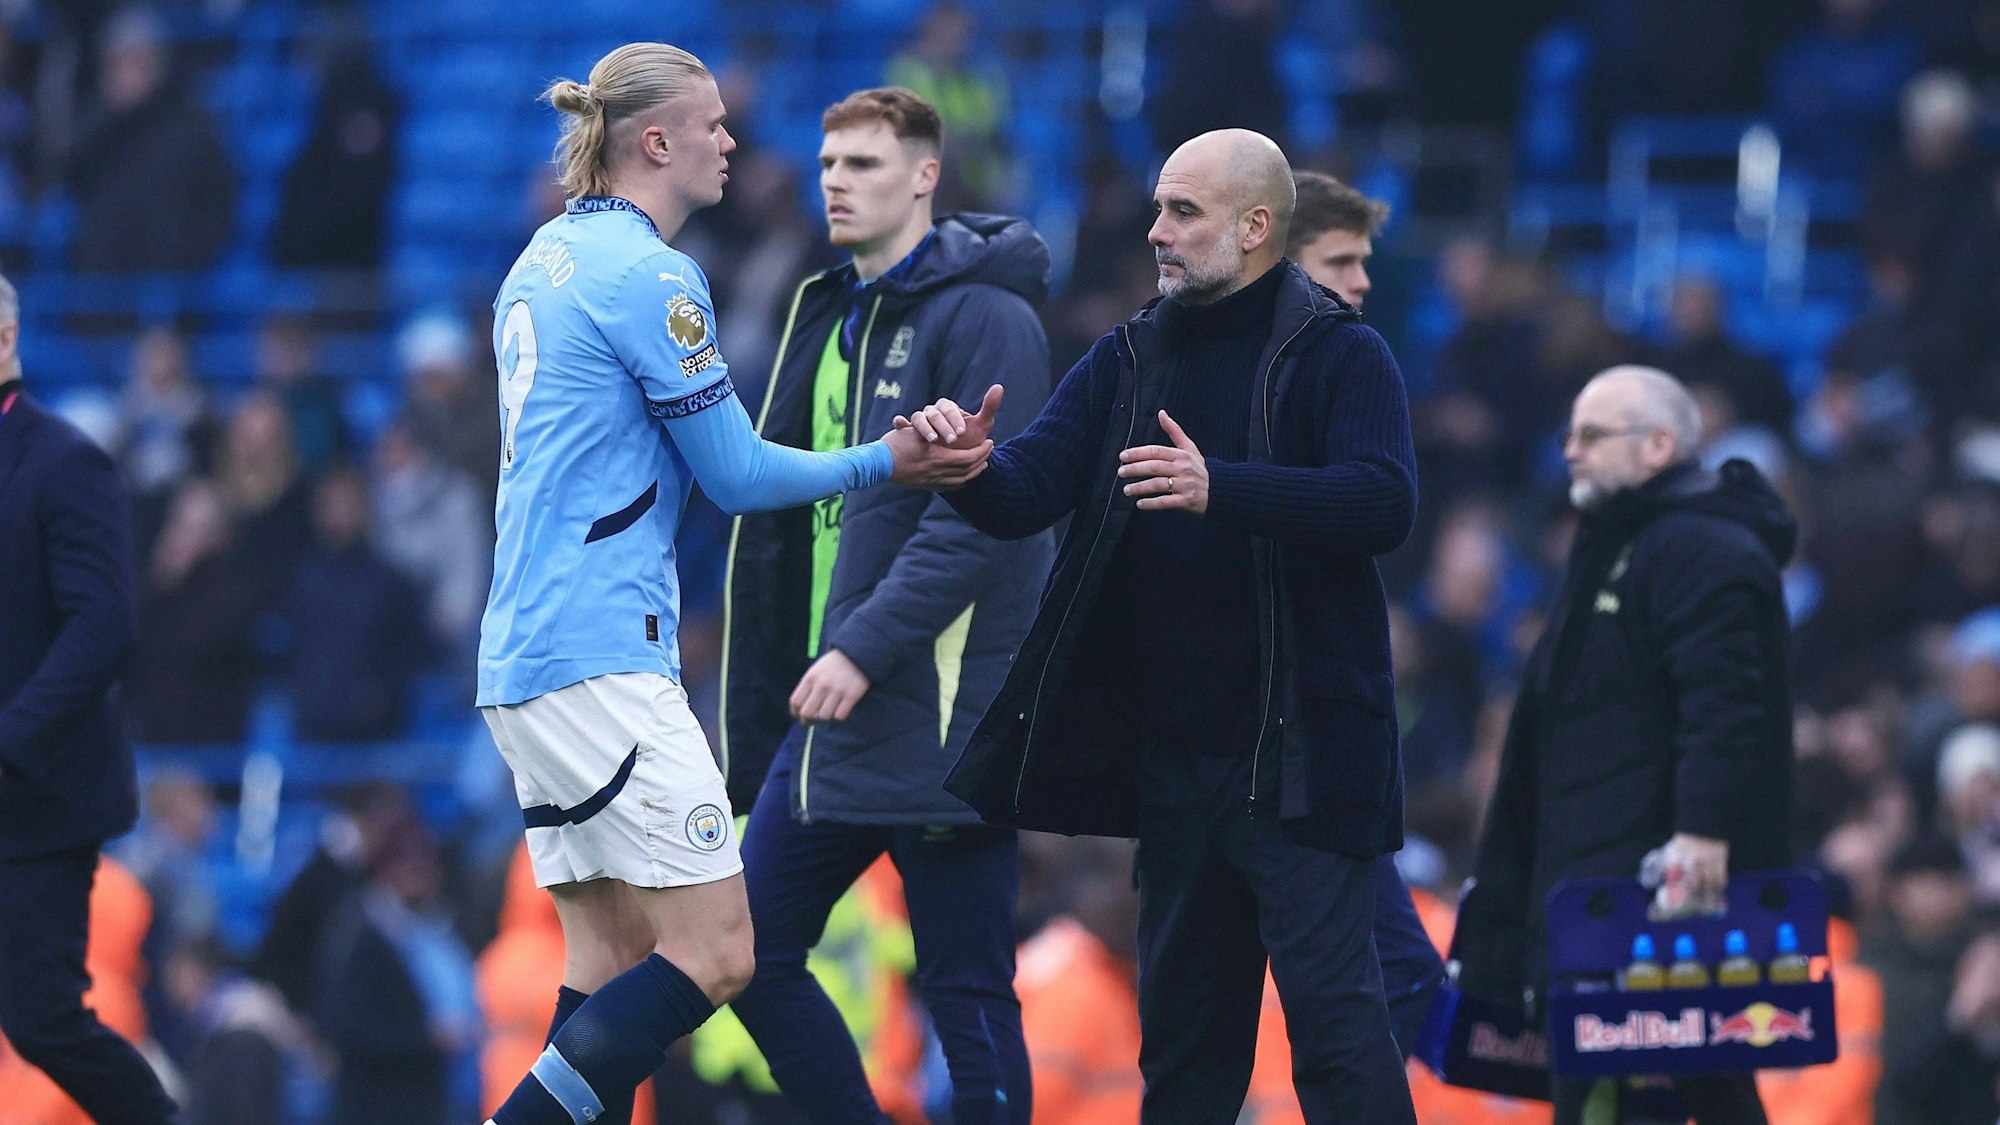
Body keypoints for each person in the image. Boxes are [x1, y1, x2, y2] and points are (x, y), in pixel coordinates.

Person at [474, 43, 992, 1125]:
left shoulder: (543, 258)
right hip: (603, 653)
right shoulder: (653, 275)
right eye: (711, 124)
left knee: (610, 960)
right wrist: (886, 460)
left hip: (525, 656)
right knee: (718, 952)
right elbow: (739, 476)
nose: (731, 140)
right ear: (655, 142)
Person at [905, 128, 1421, 1123]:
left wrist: (1218, 485)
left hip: (1305, 760)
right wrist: (966, 466)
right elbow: (1028, 491)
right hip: (1179, 766)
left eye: (1182, 211)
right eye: (1157, 208)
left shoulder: (1343, 353)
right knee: (1183, 1054)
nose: (1155, 231)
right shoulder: (1128, 354)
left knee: (1336, 1037)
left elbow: (1381, 503)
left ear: (1255, 226)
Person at [719, 86, 1052, 1124]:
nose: (834, 183)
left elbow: (980, 516)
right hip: (832, 712)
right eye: (826, 164)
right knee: (747, 953)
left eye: (862, 164)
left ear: (923, 176)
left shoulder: (989, 315)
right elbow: (786, 521)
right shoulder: (832, 312)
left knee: (965, 987)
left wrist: (860, 647)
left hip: (938, 707)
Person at [1453, 366, 1797, 1124]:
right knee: (1672, 1086)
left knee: (1675, 1085)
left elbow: (1725, 704)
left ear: (1659, 444)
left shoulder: (1702, 548)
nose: (1569, 449)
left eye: (1591, 435)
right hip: (1589, 883)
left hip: (1657, 888)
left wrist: (1701, 835)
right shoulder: (1614, 543)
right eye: (1569, 431)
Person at [0, 270, 179, 1122]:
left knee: (43, 1021)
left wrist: (9, 738)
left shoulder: (66, 460)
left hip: (33, 799)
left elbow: (102, 627)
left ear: (5, 340)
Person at [1285, 169, 1445, 1056]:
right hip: (1265, 759)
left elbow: (1382, 510)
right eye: (1340, 260)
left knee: (1396, 996)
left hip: (1327, 753)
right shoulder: (1184, 383)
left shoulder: (1352, 379)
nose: (1363, 281)